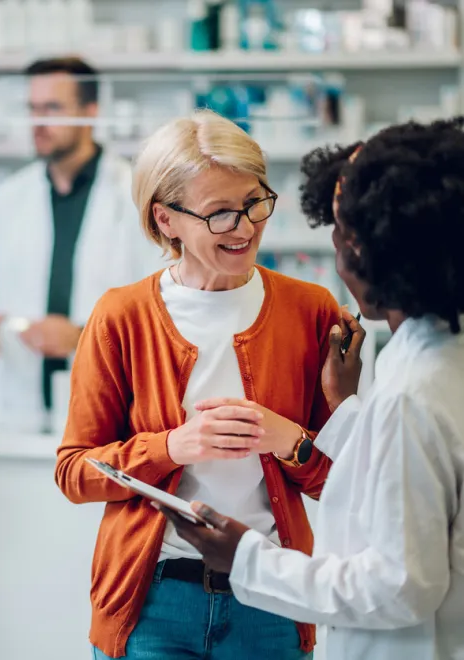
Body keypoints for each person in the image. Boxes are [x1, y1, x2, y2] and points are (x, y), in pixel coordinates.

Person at [160, 117, 464, 660]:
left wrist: (246, 558)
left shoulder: (409, 393)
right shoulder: (430, 355)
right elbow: (402, 486)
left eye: (343, 234)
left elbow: (399, 586)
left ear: (375, 253)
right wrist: (345, 410)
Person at [55, 110, 340, 659]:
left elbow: (342, 481)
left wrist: (287, 439)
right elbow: (74, 472)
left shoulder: (310, 310)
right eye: (220, 214)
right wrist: (171, 447)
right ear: (166, 220)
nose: (246, 228)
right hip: (154, 602)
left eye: (255, 203)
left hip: (273, 596)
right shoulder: (121, 316)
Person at [0, 56, 160, 428]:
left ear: (90, 112)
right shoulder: (8, 197)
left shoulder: (135, 195)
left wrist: (81, 336)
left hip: (107, 405)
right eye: (32, 108)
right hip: (19, 403)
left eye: (52, 108)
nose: (38, 122)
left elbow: (158, 306)